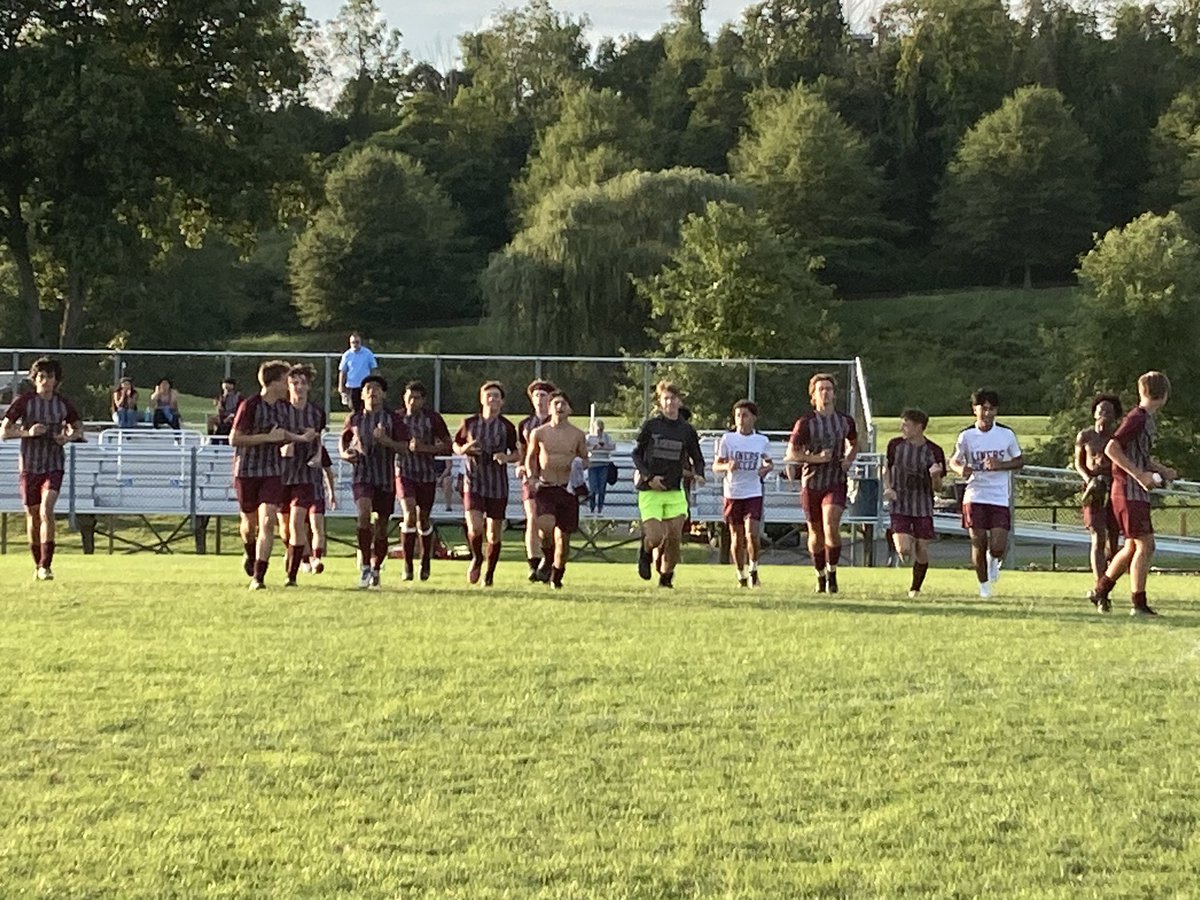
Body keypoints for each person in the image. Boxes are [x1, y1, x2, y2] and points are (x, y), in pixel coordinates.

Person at [1089, 371, 1176, 616]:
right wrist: (1140, 476)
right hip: (1128, 491)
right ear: (1165, 395)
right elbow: (1111, 448)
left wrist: (1162, 470)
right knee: (1146, 545)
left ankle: (1101, 590)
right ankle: (1138, 603)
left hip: (1133, 491)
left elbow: (1139, 454)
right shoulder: (1137, 418)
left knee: (1131, 546)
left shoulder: (1146, 419)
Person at [1, 356, 84, 581]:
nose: (45, 381)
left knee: (46, 510)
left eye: (50, 377)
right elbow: (4, 431)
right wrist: (27, 433)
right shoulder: (24, 402)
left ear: (56, 380)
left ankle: (46, 566)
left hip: (53, 463)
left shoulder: (63, 403)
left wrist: (66, 437)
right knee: (32, 514)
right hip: (29, 465)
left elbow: (78, 429)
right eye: (41, 377)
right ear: (34, 379)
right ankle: (37, 563)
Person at [785, 373, 859, 594]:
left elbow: (854, 443)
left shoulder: (845, 421)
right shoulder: (805, 423)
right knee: (815, 533)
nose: (825, 393)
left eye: (829, 389)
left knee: (831, 524)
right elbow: (792, 453)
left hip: (835, 480)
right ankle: (819, 575)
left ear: (835, 394)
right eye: (821, 389)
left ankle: (833, 572)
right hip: (812, 482)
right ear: (813, 396)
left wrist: (847, 460)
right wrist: (816, 458)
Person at [949, 389, 1024, 599]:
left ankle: (994, 560)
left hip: (998, 495)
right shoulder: (967, 436)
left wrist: (1001, 465)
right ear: (975, 410)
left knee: (998, 545)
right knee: (978, 540)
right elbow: (954, 460)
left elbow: (1019, 461)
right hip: (975, 493)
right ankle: (983, 586)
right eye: (983, 409)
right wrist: (960, 469)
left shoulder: (1006, 435)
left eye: (992, 409)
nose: (987, 413)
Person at [631, 380, 705, 589]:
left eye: (673, 398)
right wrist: (648, 477)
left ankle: (666, 577)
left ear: (679, 401)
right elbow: (636, 454)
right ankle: (646, 552)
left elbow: (697, 457)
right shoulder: (652, 426)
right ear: (660, 402)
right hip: (651, 489)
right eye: (665, 398)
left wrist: (699, 473)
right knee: (655, 537)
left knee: (673, 537)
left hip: (674, 490)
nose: (670, 402)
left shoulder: (686, 430)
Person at [230, 360, 297, 590]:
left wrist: (299, 438)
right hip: (247, 470)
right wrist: (267, 438)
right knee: (249, 525)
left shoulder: (283, 407)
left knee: (268, 521)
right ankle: (250, 552)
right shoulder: (250, 405)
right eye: (286, 379)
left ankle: (259, 577)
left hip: (272, 470)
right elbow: (234, 439)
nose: (289, 385)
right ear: (275, 382)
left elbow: (284, 433)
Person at [340, 375, 408, 590]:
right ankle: (365, 565)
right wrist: (345, 454)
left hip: (385, 477)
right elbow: (344, 441)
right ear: (362, 394)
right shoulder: (355, 418)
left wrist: (386, 441)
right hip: (362, 474)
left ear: (383, 394)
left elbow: (405, 447)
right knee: (363, 514)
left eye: (377, 388)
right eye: (368, 388)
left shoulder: (393, 419)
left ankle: (377, 567)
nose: (373, 392)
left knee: (381, 526)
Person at [453, 381, 520, 587]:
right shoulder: (470, 423)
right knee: (474, 526)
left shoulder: (507, 427)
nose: (492, 399)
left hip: (497, 483)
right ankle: (476, 557)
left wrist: (505, 458)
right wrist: (465, 450)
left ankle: (489, 574)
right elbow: (456, 444)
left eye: (496, 396)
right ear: (482, 399)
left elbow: (518, 454)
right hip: (473, 481)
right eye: (489, 395)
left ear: (502, 402)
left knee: (493, 533)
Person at [526, 390, 590, 588]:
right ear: (550, 407)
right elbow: (530, 457)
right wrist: (532, 477)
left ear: (569, 409)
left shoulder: (577, 435)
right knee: (545, 526)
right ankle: (546, 557)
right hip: (546, 487)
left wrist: (580, 464)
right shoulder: (539, 433)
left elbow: (586, 458)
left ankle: (557, 575)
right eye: (556, 404)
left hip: (567, 489)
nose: (560, 407)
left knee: (563, 539)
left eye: (563, 404)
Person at [883, 408, 946, 599]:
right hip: (900, 502)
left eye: (906, 424)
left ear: (919, 427)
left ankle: (915, 588)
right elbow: (887, 468)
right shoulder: (895, 445)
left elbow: (938, 487)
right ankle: (895, 536)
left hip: (922, 504)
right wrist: (888, 487)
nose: (902, 427)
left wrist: (935, 476)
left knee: (922, 549)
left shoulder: (934, 451)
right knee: (904, 549)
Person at [712, 400, 773, 588]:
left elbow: (769, 463)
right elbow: (716, 466)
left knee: (751, 533)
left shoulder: (761, 441)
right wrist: (727, 466)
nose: (741, 420)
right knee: (736, 536)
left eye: (745, 415)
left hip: (753, 491)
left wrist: (766, 469)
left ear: (753, 418)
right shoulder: (728, 440)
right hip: (733, 492)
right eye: (738, 415)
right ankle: (740, 575)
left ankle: (753, 569)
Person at [396, 380, 452, 582]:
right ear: (404, 398)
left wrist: (425, 449)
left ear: (423, 400)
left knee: (424, 519)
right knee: (409, 513)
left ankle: (425, 560)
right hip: (404, 471)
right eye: (409, 397)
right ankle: (407, 564)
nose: (412, 401)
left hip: (426, 474)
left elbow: (448, 446)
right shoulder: (397, 418)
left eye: (416, 398)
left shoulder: (433, 419)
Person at [277, 364, 325, 587]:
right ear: (288, 386)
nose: (299, 387)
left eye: (303, 383)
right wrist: (283, 447)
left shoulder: (316, 412)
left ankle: (292, 575)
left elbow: (317, 439)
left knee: (297, 522)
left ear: (309, 386)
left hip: (305, 474)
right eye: (294, 383)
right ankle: (293, 555)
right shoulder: (280, 410)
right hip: (281, 474)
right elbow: (273, 436)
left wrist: (317, 456)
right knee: (285, 528)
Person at [1075, 394, 1122, 586]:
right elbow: (1078, 464)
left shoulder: (1117, 437)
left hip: (1113, 487)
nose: (1103, 414)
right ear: (1094, 414)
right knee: (1097, 534)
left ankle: (1109, 575)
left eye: (1108, 411)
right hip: (1093, 489)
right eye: (1100, 410)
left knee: (1113, 536)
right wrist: (1089, 480)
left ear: (1114, 416)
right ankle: (1099, 584)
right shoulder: (1085, 436)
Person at [517, 380, 556, 581]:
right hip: (532, 478)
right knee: (532, 517)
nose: (540, 400)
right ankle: (533, 563)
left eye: (543, 395)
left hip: (554, 478)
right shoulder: (525, 425)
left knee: (549, 524)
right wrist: (521, 465)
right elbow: (522, 451)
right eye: (536, 396)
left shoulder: (556, 423)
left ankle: (549, 561)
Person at [337, 332, 378, 412]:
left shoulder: (368, 353)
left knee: (366, 408)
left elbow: (373, 369)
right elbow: (343, 371)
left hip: (365, 386)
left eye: (357, 342)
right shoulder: (347, 355)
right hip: (352, 386)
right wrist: (341, 385)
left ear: (360, 342)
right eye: (353, 342)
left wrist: (374, 383)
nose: (355, 344)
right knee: (354, 408)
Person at [586, 418, 616, 514]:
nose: (599, 432)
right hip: (593, 465)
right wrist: (594, 447)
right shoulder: (589, 438)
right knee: (593, 488)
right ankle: (592, 508)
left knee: (602, 488)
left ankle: (600, 508)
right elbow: (584, 448)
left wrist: (603, 446)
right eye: (598, 430)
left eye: (601, 430)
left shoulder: (606, 437)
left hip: (603, 465)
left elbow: (612, 447)